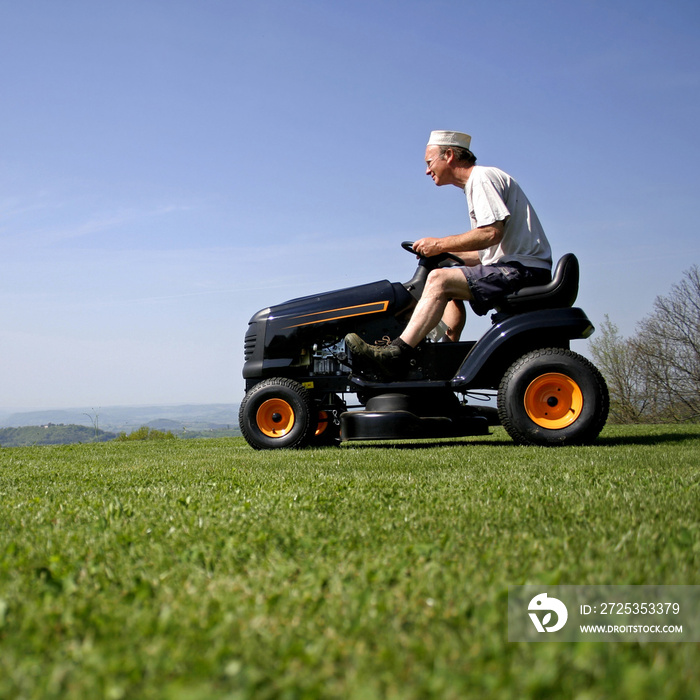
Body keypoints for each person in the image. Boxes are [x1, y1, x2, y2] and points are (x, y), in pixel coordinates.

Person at [345, 129, 553, 379]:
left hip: (522, 271)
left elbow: (491, 233)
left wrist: (440, 244)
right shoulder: (478, 183)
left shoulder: (482, 178)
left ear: (450, 155)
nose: (427, 170)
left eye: (429, 162)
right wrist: (443, 256)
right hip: (514, 267)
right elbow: (486, 254)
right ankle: (441, 349)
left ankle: (396, 353)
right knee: (446, 276)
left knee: (439, 281)